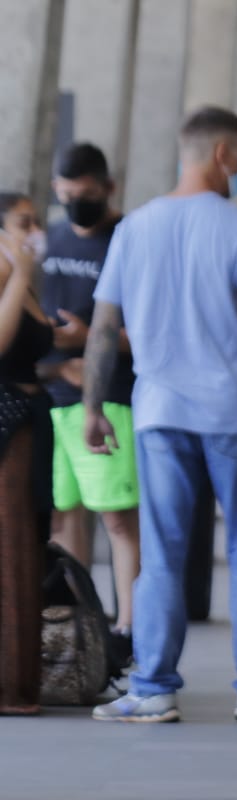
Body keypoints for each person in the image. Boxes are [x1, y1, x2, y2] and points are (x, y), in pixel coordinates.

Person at [85, 106, 237, 724]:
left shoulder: (133, 229)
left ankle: (153, 687)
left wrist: (93, 406)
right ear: (222, 153)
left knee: (162, 554)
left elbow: (103, 326)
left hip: (160, 412)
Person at [37, 144, 140, 659]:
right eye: (68, 195)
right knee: (61, 515)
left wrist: (92, 340)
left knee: (118, 518)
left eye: (87, 195)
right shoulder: (49, 239)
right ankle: (84, 620)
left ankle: (128, 626)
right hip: (52, 397)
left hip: (111, 397)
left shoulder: (129, 239)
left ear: (109, 187)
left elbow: (147, 329)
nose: (77, 203)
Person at [0, 195, 55, 715]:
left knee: (30, 542)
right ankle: (10, 683)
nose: (35, 230)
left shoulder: (24, 269)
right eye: (23, 222)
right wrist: (17, 271)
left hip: (32, 423)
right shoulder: (6, 266)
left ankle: (23, 677)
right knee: (12, 550)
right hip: (7, 426)